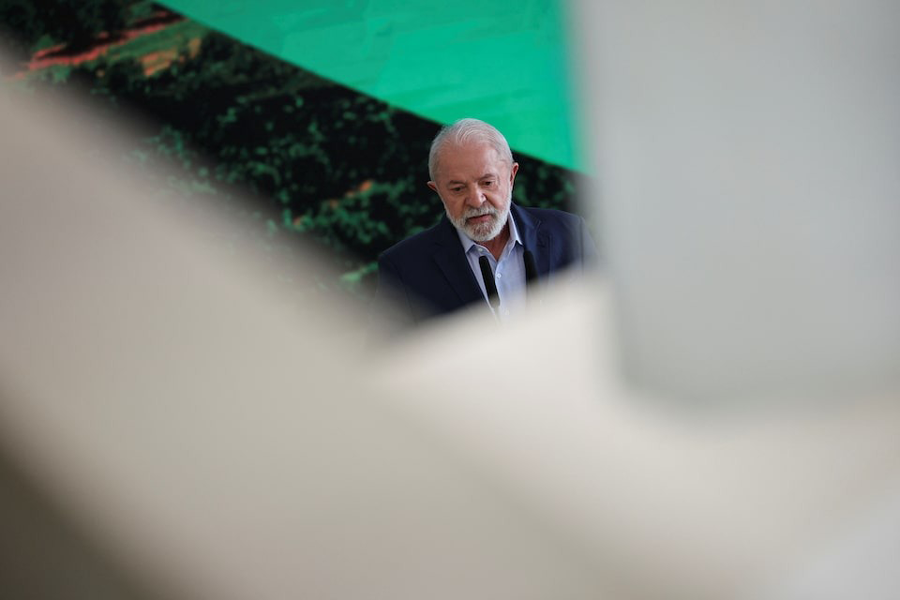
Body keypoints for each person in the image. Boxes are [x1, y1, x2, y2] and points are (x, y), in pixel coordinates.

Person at [372, 118, 596, 331]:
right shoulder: (403, 269)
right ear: (437, 191)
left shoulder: (568, 233)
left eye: (487, 183)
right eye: (458, 189)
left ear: (511, 176)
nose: (476, 200)